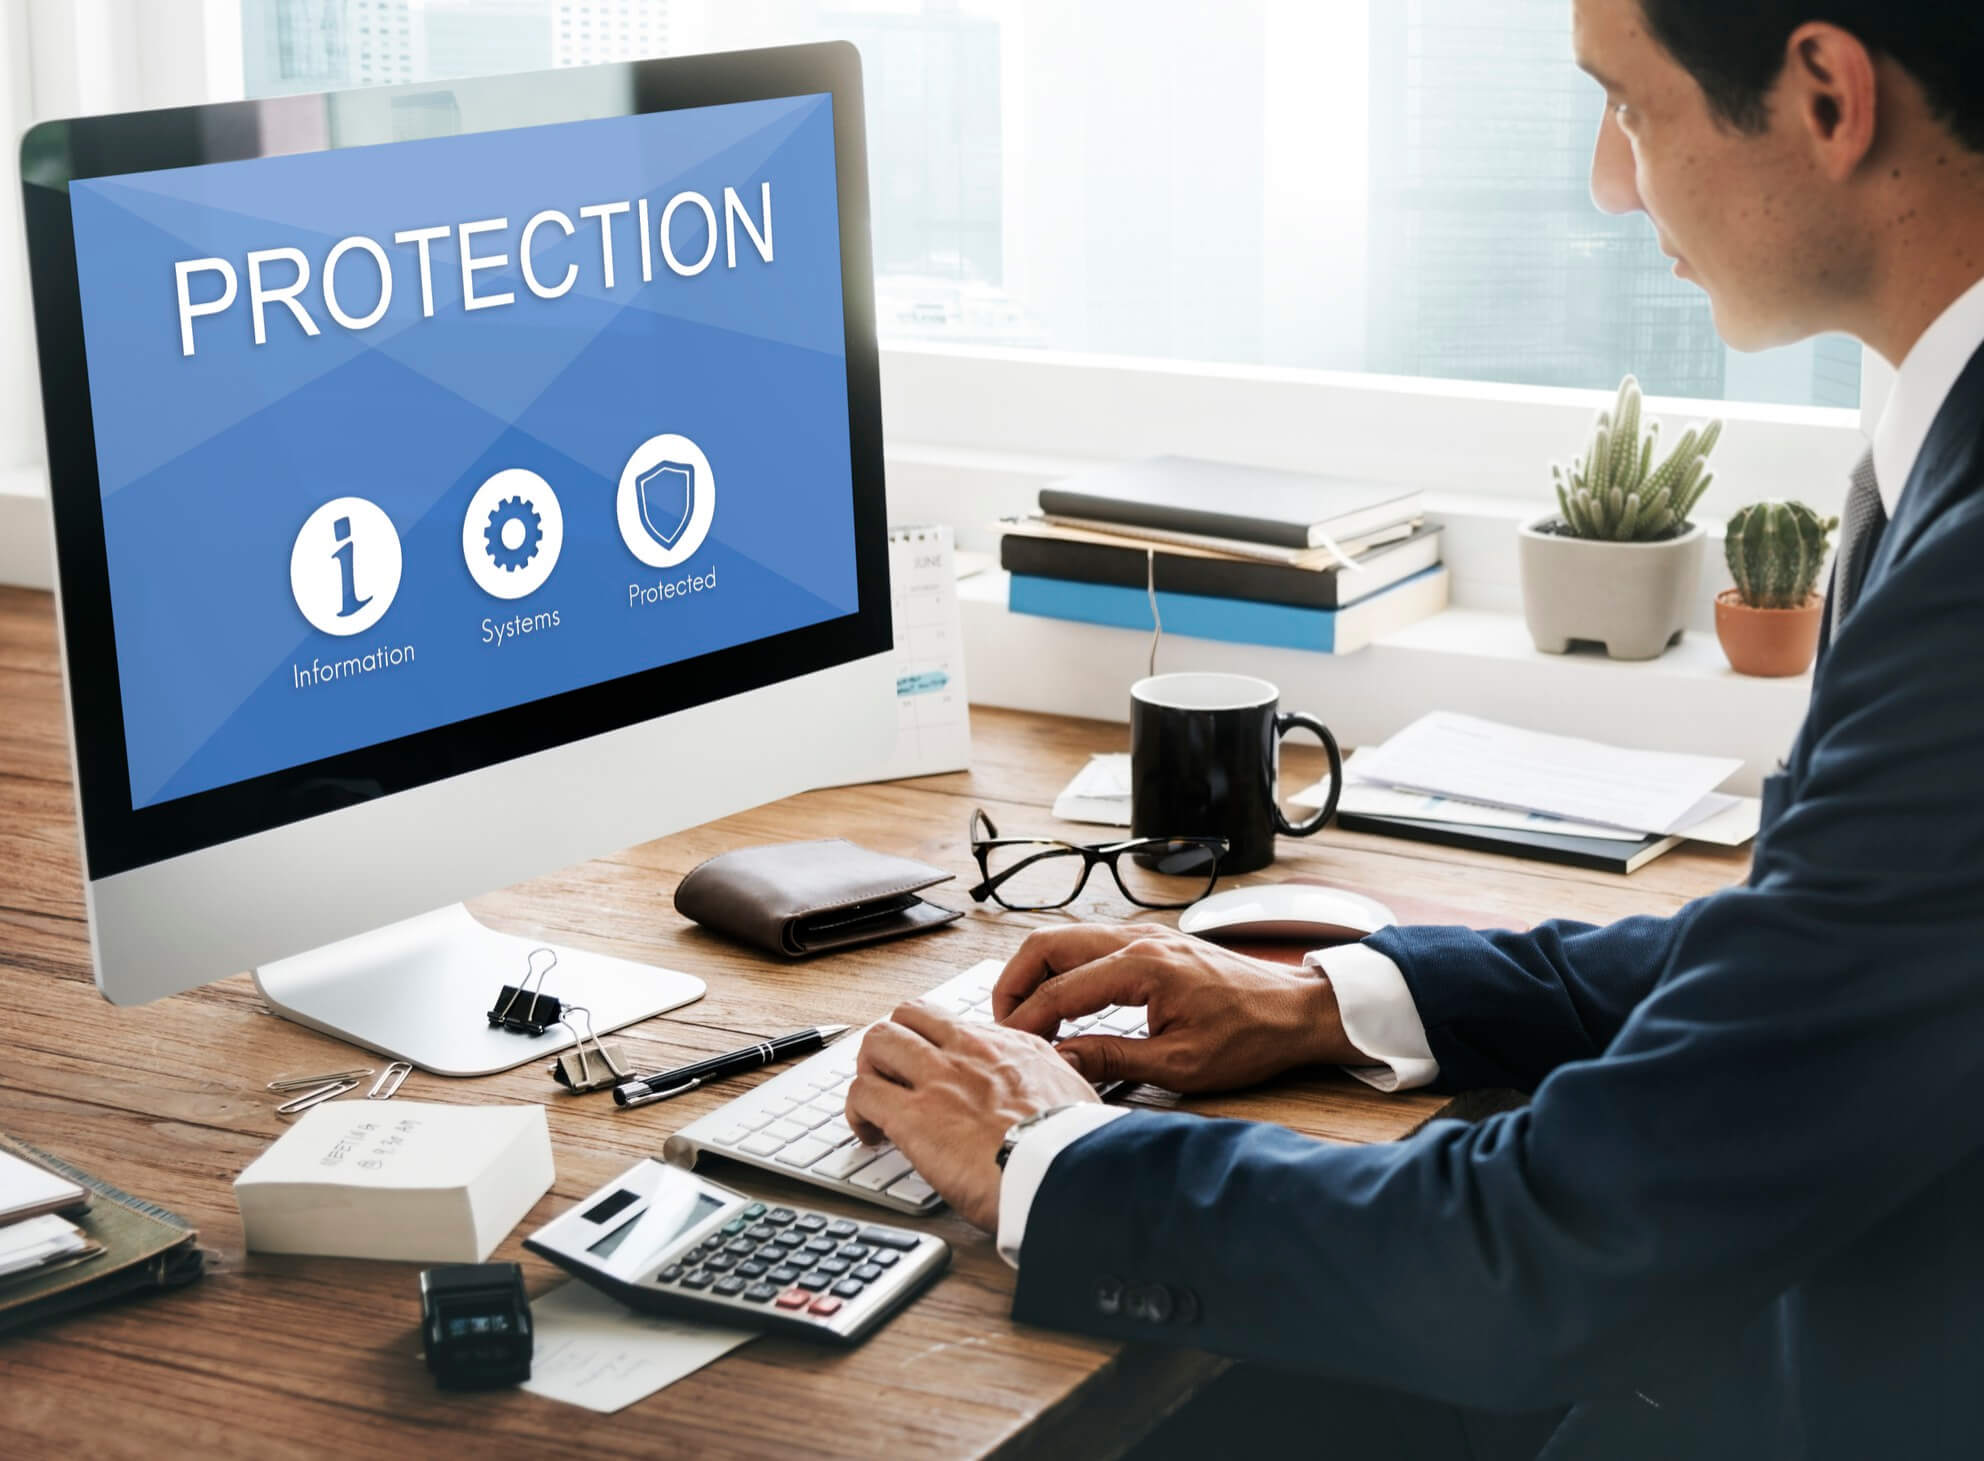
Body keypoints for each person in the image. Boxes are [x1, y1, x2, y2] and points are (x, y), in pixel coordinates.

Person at [842, 2, 1984, 1455]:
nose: (1607, 182)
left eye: (1627, 105)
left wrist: (1049, 1153)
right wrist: (1338, 1000)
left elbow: (1551, 1254)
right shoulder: (1937, 436)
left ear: (1826, 96)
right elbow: (1817, 952)